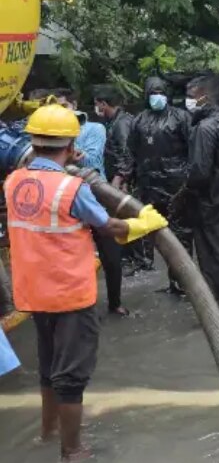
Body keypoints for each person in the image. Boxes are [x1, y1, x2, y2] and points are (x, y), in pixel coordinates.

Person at [4, 104, 167, 462]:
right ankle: (72, 451)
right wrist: (144, 224)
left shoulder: (14, 182)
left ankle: (47, 434)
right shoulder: (70, 187)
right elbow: (110, 227)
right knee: (72, 376)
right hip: (70, 295)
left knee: (49, 367)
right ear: (71, 145)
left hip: (34, 294)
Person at [116, 77, 195, 295]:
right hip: (149, 185)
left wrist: (190, 181)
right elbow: (130, 152)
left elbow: (194, 150)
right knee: (156, 233)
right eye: (152, 93)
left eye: (160, 92)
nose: (156, 96)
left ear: (166, 94)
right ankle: (171, 280)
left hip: (176, 185)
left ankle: (185, 282)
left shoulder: (181, 117)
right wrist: (122, 177)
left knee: (181, 234)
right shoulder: (140, 120)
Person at [53, 90, 127, 317]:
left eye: (64, 105)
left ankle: (115, 302)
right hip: (65, 200)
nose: (60, 110)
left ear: (74, 104)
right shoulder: (50, 133)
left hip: (95, 196)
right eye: (55, 107)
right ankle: (75, 305)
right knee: (70, 257)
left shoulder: (94, 128)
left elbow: (93, 160)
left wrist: (65, 154)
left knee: (112, 257)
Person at [179, 76, 219, 323]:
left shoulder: (205, 128)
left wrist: (184, 195)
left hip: (210, 204)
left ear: (203, 96)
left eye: (191, 95)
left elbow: (199, 173)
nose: (187, 101)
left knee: (214, 260)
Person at [92, 86, 138, 272]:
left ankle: (139, 260)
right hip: (116, 176)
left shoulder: (122, 123)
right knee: (121, 216)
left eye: (96, 104)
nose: (96, 108)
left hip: (123, 179)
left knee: (128, 217)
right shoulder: (113, 121)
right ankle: (128, 257)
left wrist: (121, 178)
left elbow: (127, 153)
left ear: (104, 104)